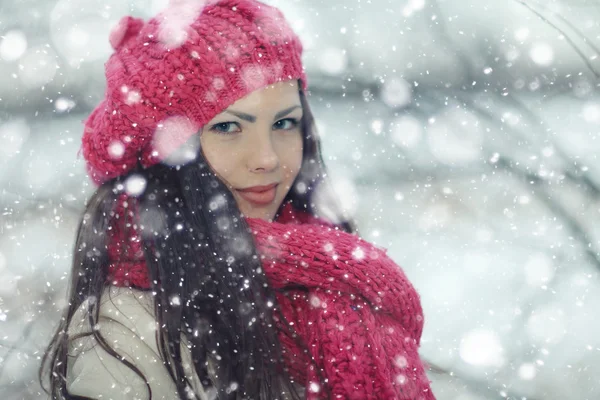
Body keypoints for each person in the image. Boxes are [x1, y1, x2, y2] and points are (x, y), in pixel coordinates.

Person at [40, 0, 436, 399]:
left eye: (284, 123)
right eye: (228, 127)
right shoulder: (129, 333)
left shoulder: (336, 287)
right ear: (165, 156)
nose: (267, 159)